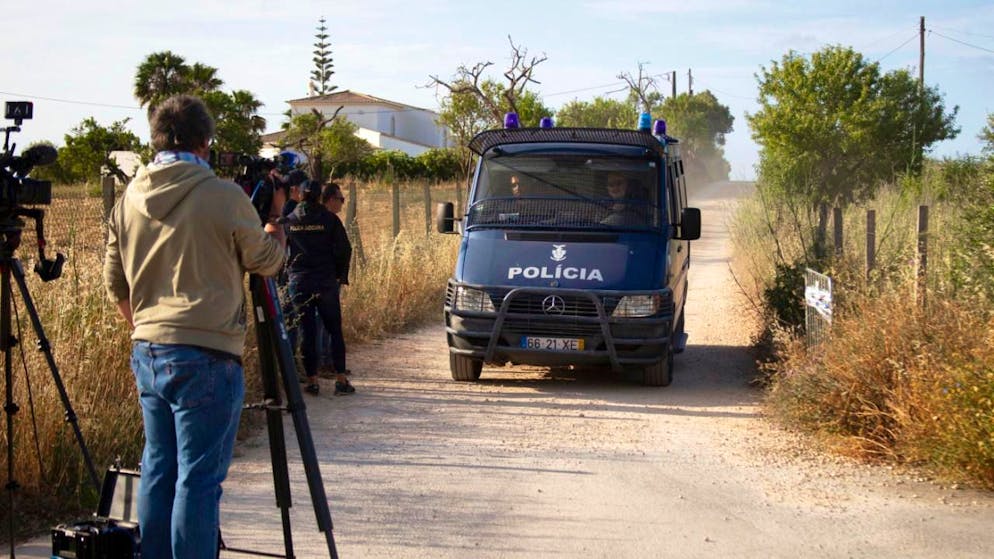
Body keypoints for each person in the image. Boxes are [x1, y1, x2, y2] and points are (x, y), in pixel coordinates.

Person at [103, 94, 286, 559]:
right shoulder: (224, 195)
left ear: (156, 139)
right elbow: (266, 262)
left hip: (149, 350)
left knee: (159, 469)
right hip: (208, 354)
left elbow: (115, 284)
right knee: (198, 479)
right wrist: (275, 225)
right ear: (205, 142)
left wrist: (148, 327)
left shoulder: (128, 200)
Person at [284, 179, 354, 396]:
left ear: (300, 195)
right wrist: (339, 275)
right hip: (325, 281)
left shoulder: (290, 220)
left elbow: (281, 250)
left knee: (307, 331)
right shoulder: (330, 219)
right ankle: (340, 380)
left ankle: (312, 381)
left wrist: (288, 273)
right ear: (319, 196)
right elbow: (345, 249)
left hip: (299, 282)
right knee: (334, 330)